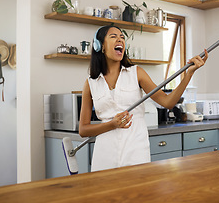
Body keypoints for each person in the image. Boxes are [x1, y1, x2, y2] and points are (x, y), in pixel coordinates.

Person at [79, 25, 208, 172]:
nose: (120, 39)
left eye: (122, 37)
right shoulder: (90, 83)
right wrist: (111, 124)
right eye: (113, 36)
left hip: (135, 150)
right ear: (100, 46)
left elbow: (168, 102)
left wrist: (188, 74)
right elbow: (83, 129)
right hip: (104, 154)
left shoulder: (137, 73)